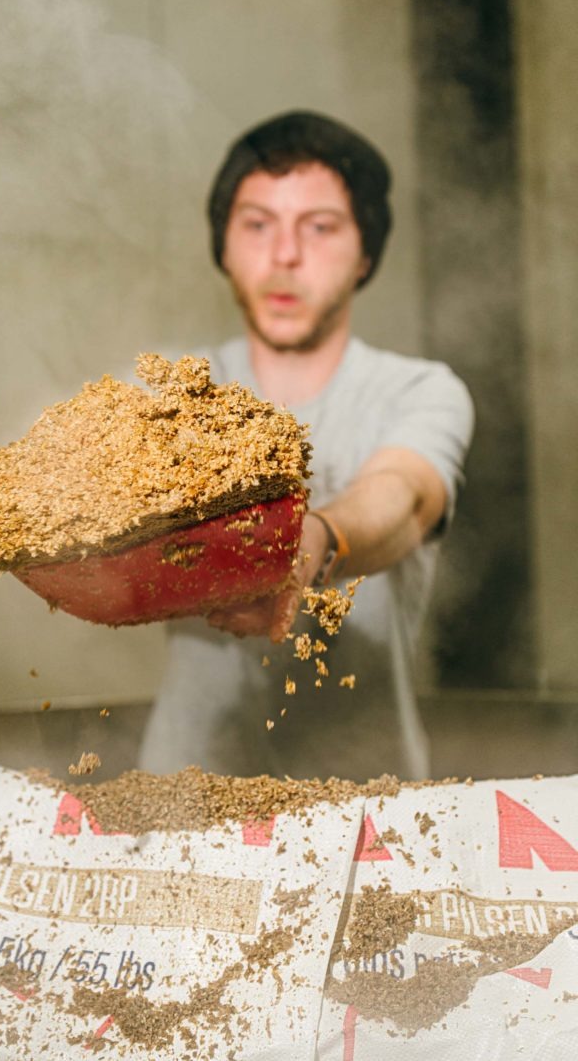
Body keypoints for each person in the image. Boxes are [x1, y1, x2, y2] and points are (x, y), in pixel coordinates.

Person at [139, 110, 474, 782]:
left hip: (371, 814)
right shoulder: (167, 392)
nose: (284, 255)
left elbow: (403, 498)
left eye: (319, 228)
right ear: (223, 247)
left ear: (366, 254)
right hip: (181, 803)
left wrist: (312, 541)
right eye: (257, 224)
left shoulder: (418, 389)